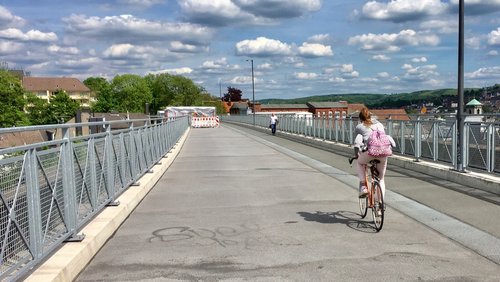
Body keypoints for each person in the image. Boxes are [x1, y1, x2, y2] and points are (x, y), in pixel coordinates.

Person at [352, 107, 394, 198]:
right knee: (381, 179)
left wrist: (356, 154)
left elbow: (357, 142)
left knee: (360, 163)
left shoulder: (359, 126)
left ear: (360, 118)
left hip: (370, 152)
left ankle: (363, 187)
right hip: (383, 152)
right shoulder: (380, 125)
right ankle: (380, 207)